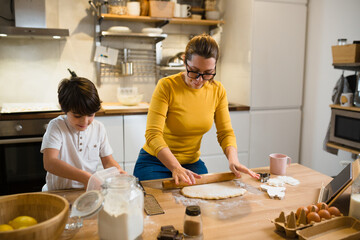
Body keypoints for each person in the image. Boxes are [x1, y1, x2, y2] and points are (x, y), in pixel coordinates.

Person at [134, 34, 259, 185]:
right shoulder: (167, 86)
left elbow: (225, 133)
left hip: (191, 163)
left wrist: (233, 160)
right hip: (154, 162)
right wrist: (175, 167)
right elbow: (153, 135)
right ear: (185, 60)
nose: (199, 80)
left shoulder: (217, 91)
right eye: (194, 71)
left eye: (207, 73)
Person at [41, 76, 126, 191]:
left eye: (90, 115)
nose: (85, 122)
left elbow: (107, 161)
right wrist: (86, 178)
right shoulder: (57, 126)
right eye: (77, 116)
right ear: (63, 107)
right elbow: (50, 163)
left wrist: (117, 172)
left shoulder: (99, 128)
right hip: (58, 192)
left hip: (87, 191)